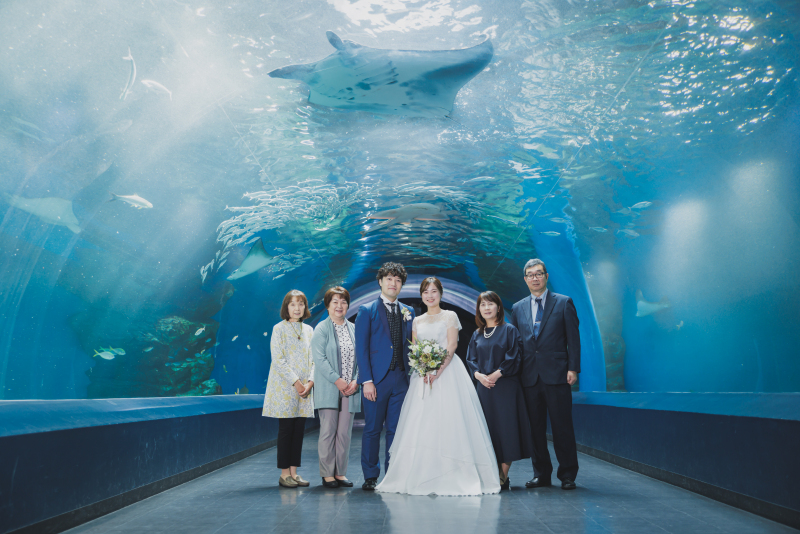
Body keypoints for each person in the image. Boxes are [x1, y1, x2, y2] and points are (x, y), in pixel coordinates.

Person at [375, 277, 500, 496]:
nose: (430, 295)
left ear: (440, 294)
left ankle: (453, 473)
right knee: (420, 424)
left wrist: (437, 370)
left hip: (448, 373)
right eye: (425, 292)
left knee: (450, 422)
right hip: (422, 377)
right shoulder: (416, 320)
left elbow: (452, 345)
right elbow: (415, 348)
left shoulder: (450, 316)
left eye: (434, 291)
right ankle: (419, 474)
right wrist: (424, 369)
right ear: (422, 295)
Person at [508, 259, 581, 490]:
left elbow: (573, 339)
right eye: (530, 274)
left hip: (558, 374)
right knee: (535, 429)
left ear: (546, 276)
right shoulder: (518, 307)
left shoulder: (564, 302)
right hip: (528, 377)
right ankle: (541, 474)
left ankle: (568, 474)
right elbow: (516, 344)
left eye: (539, 274)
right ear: (525, 279)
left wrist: (573, 368)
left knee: (562, 427)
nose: (535, 278)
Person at [355, 262, 416, 490]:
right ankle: (371, 475)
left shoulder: (408, 312)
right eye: (389, 279)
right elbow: (361, 349)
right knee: (372, 429)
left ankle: (393, 474)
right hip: (376, 381)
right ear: (380, 281)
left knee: (395, 430)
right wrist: (367, 381)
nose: (394, 283)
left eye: (398, 280)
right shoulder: (366, 311)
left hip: (401, 380)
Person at [466, 291, 533, 491]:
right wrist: (478, 376)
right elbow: (470, 359)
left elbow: (515, 357)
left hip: (505, 387)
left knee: (507, 430)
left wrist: (496, 374)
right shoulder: (476, 334)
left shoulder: (509, 330)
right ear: (478, 309)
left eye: (490, 304)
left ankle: (502, 475)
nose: (486, 308)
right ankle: (490, 473)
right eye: (482, 305)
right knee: (488, 431)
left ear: (498, 307)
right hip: (483, 389)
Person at [262, 289, 315, 489]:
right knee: (286, 430)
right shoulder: (279, 329)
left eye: (300, 304)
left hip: (305, 389)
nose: (297, 308)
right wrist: (296, 382)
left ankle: (294, 472)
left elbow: (314, 359)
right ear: (286, 307)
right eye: (292, 304)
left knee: (299, 431)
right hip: (286, 388)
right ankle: (284, 474)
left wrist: (310, 381)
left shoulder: (309, 330)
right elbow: (278, 360)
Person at [311, 286, 361, 489]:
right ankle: (327, 474)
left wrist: (355, 381)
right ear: (328, 305)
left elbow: (362, 359)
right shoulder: (321, 329)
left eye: (343, 301)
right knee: (328, 432)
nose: (339, 305)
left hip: (351, 388)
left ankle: (340, 473)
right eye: (335, 302)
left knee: (344, 433)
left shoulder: (354, 329)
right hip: (330, 387)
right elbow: (319, 359)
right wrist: (338, 380)